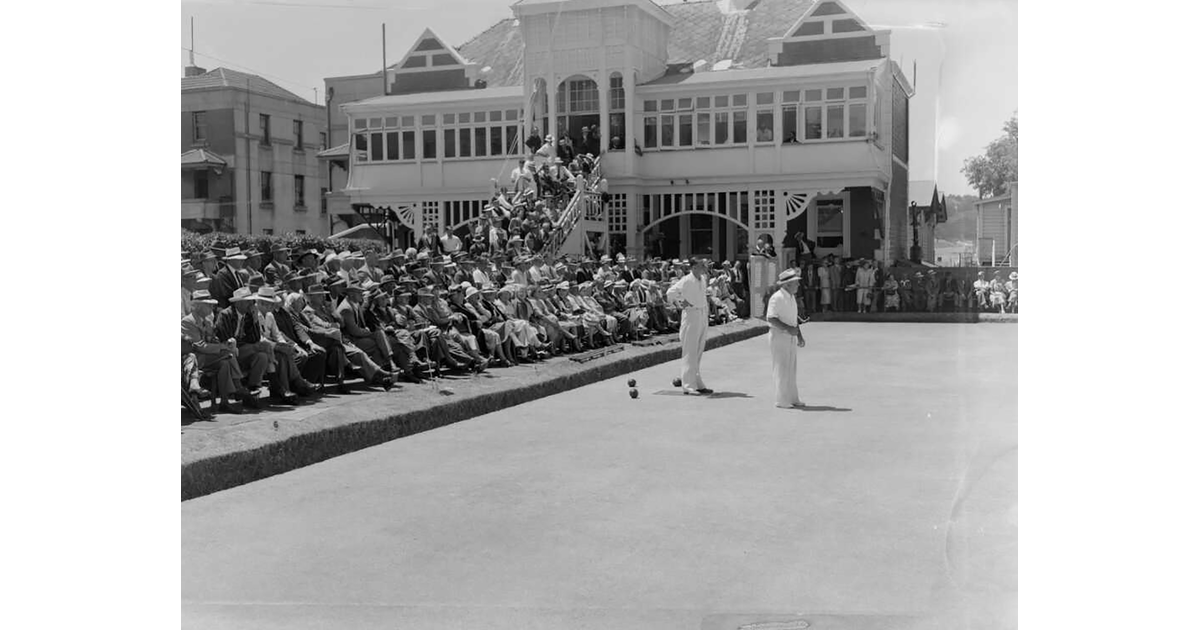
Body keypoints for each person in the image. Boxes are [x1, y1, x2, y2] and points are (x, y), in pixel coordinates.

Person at [666, 258, 712, 395]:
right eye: (700, 265)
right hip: (691, 315)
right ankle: (688, 385)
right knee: (690, 351)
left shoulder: (703, 279)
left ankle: (697, 382)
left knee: (698, 351)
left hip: (702, 314)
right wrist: (682, 302)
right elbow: (670, 293)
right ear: (693, 267)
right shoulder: (686, 280)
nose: (703, 267)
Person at [766, 268, 806, 409]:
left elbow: (793, 319)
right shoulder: (777, 297)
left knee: (791, 368)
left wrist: (799, 335)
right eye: (795, 282)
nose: (798, 285)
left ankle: (793, 398)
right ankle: (781, 400)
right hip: (779, 336)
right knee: (781, 368)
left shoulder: (791, 297)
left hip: (790, 337)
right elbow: (771, 318)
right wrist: (788, 329)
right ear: (787, 284)